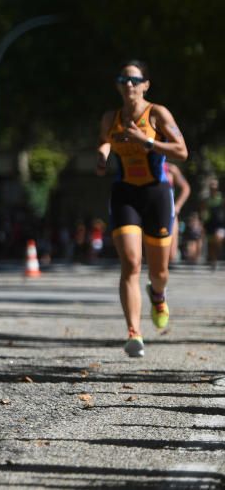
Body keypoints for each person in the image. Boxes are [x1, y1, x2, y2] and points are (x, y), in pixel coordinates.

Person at [97, 60, 187, 358]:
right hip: (125, 194)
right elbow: (105, 142)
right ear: (118, 85)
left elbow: (181, 151)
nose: (129, 84)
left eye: (135, 80)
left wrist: (146, 141)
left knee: (159, 270)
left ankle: (158, 295)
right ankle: (133, 332)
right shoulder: (110, 117)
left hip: (157, 194)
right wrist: (102, 154)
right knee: (131, 263)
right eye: (123, 79)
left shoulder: (157, 114)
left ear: (146, 84)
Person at [163, 162, 190, 263]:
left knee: (171, 254)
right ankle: (153, 276)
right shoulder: (147, 166)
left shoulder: (171, 168)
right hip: (151, 212)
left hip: (170, 213)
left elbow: (186, 188)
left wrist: (178, 205)